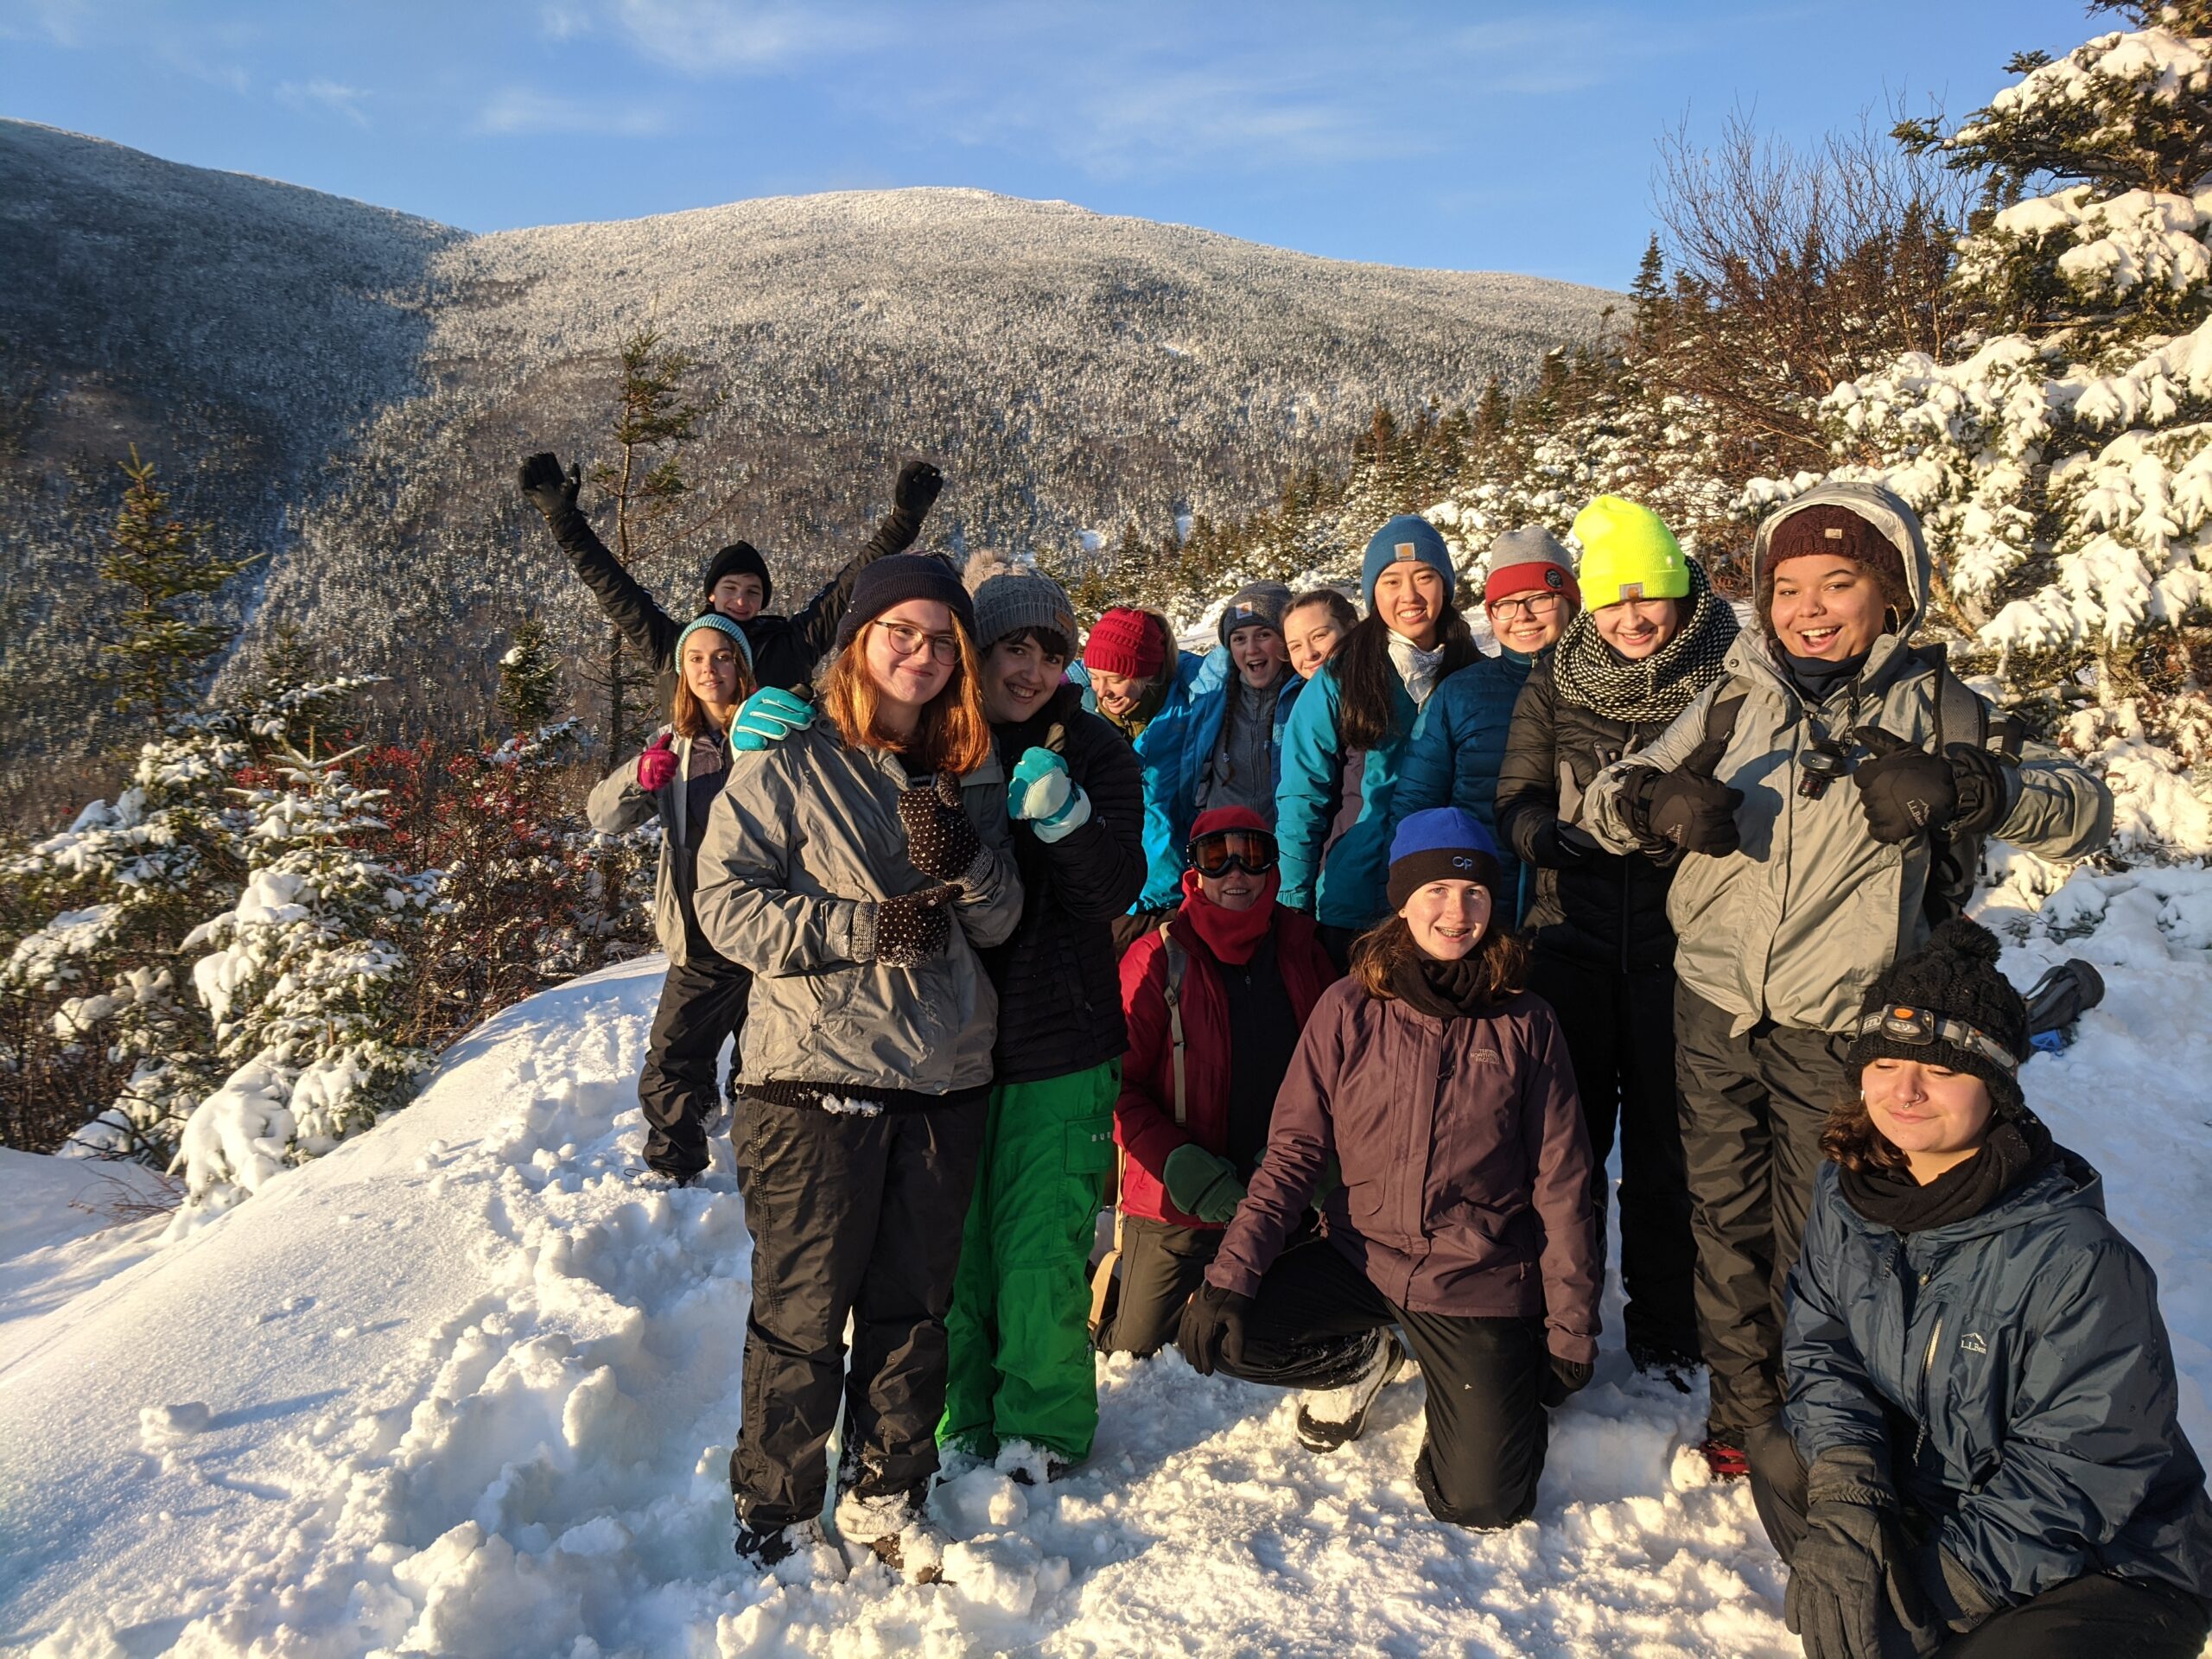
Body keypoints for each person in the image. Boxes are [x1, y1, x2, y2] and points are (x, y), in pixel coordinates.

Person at [1578, 481, 2113, 1479]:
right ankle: (1743, 1417)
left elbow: (2083, 808)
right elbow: (1604, 798)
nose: (1807, 609)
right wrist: (1654, 799)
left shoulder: (1942, 708)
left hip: (1849, 1024)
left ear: (1892, 596)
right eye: (1786, 587)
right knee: (1722, 1218)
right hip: (1714, 1008)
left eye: (1838, 582)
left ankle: (1821, 1422)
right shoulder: (1730, 694)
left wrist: (1972, 786)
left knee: (1825, 1234)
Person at [692, 553, 1023, 1581]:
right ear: (861, 643)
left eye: (939, 641)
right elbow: (727, 906)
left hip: (941, 1076)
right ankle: (779, 1510)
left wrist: (962, 860)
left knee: (911, 1310)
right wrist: (864, 927)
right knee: (801, 1315)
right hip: (813, 1079)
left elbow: (1004, 915)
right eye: (901, 634)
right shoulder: (789, 762)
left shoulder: (968, 772)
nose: (920, 656)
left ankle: (885, 1493)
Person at [1758, 918, 2212, 1658]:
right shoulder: (1847, 1193)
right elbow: (1823, 1351)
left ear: (1995, 1086)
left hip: (2109, 1560)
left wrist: (1935, 1590)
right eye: (1886, 1063)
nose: (1905, 1091)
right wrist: (1848, 1500)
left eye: (1941, 1070)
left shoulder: (2079, 1258)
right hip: (1942, 1497)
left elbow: (2082, 1469)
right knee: (1785, 1458)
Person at [1179, 809, 1600, 1530]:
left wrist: (1570, 1328)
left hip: (1476, 1277)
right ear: (1402, 901)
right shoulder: (1348, 1010)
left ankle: (1466, 1388)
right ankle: (1365, 1356)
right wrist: (1230, 1277)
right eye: (1435, 890)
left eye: (1473, 894)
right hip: (1361, 1253)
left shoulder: (1527, 1024)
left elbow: (1564, 1186)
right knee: (1231, 1333)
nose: (1455, 911)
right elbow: (1293, 1154)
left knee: (1485, 1502)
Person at [1494, 499, 1738, 1379]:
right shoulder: (1559, 677)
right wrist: (1537, 835)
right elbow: (1517, 788)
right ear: (1588, 607)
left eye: (1650, 600)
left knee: (1674, 1150)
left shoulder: (1731, 675)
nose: (1632, 619)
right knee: (1567, 1148)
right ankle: (1565, 1316)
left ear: (1679, 595)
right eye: (1612, 603)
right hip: (1572, 938)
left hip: (1688, 946)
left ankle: (1669, 1322)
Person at [931, 570, 1149, 1485]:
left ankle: (1043, 1427)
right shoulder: (936, 737)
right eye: (1013, 647)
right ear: (976, 653)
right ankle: (958, 1418)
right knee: (952, 1247)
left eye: (1050, 652)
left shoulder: (1094, 748)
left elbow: (1112, 888)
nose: (1030, 667)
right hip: (946, 1040)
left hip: (1060, 1036)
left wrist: (1068, 822)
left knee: (1040, 1246)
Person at [1097, 805, 1338, 1362]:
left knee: (1265, 1332)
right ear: (1194, 871)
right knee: (1137, 1352)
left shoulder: (1303, 948)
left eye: (1252, 857)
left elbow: (1340, 1072)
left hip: (1282, 1200)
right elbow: (1116, 1084)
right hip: (1179, 1204)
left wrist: (1324, 1164)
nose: (1236, 873)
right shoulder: (1157, 956)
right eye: (1216, 856)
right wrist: (1178, 1162)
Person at [517, 451, 944, 696]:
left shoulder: (792, 647)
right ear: (711, 596)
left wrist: (902, 523)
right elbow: (613, 587)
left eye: (753, 592)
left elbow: (852, 583)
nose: (742, 600)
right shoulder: (674, 649)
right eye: (732, 588)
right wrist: (564, 520)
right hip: (692, 814)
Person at [584, 613, 760, 1184]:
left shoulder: (770, 738)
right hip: (701, 935)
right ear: (683, 671)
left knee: (762, 1062)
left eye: (723, 656)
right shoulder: (670, 746)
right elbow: (603, 817)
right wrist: (641, 776)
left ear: (742, 666)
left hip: (766, 929)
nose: (711, 668)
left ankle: (762, 1162)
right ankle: (675, 1171)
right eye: (698, 658)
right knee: (672, 1061)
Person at [1276, 514, 1480, 969]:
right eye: (1391, 581)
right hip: (1357, 898)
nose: (1408, 596)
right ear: (1373, 594)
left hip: (1454, 906)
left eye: (1424, 577)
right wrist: (1293, 899)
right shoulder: (1339, 679)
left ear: (1445, 584)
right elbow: (1301, 799)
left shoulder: (1474, 674)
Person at [1394, 527, 1581, 924]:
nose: (1523, 617)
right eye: (1506, 604)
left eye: (1539, 599)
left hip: (1580, 915)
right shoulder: (1461, 692)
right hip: (1476, 914)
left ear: (1570, 603)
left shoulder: (1607, 686)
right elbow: (1416, 805)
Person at [1193, 581, 1303, 823]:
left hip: (1285, 844)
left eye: (1263, 635)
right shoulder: (1213, 697)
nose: (1251, 649)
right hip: (1225, 846)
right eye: (1239, 639)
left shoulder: (1307, 697)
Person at [1281, 588, 1358, 682]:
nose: (1309, 655)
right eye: (1296, 646)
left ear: (1351, 629)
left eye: (1319, 636)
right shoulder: (1297, 694)